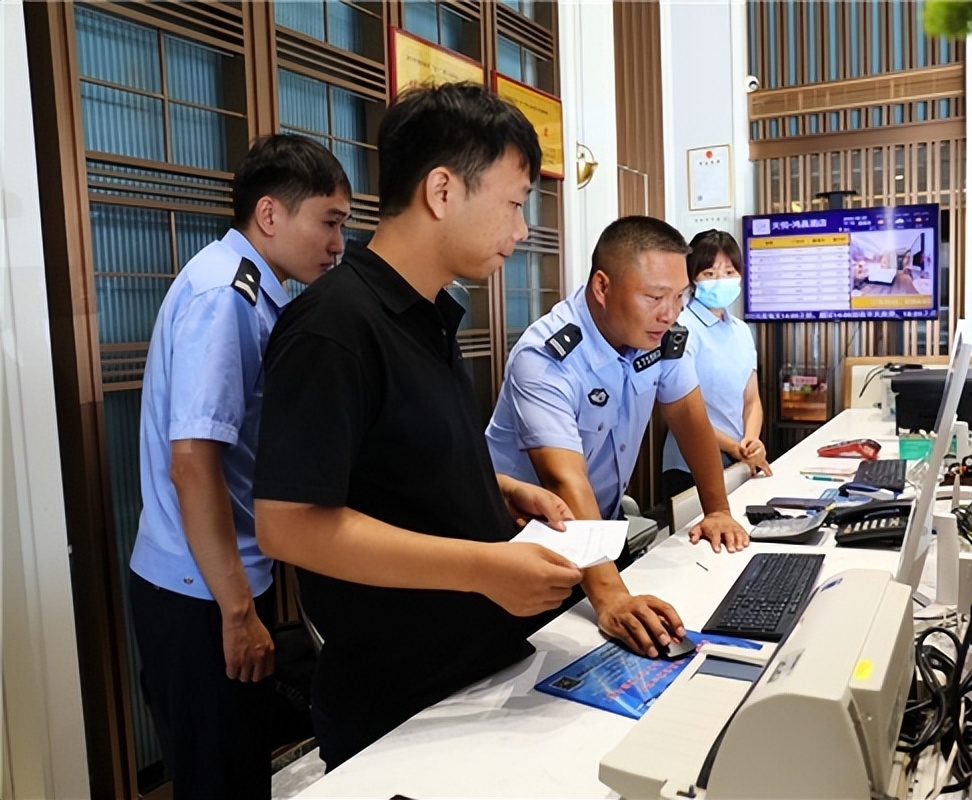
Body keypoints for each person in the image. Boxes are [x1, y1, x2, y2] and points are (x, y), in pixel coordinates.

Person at [251, 82, 584, 772]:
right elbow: (289, 523)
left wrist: (498, 489)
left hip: (478, 673)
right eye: (515, 203)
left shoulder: (428, 315)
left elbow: (391, 458)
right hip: (400, 706)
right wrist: (485, 566)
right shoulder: (335, 326)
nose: (522, 231)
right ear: (441, 190)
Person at [128, 134, 351, 800]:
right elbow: (193, 461)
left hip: (213, 577)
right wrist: (234, 612)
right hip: (199, 592)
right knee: (219, 779)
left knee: (236, 767)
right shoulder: (225, 296)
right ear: (270, 215)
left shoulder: (251, 291)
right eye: (330, 222)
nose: (339, 244)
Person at [486, 215, 751, 660]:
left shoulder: (664, 336)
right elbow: (563, 481)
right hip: (522, 541)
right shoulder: (547, 356)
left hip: (597, 530)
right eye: (653, 297)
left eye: (680, 296)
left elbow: (690, 418)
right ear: (602, 287)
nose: (670, 313)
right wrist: (609, 597)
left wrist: (718, 510)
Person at [660, 229, 771, 501]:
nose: (721, 280)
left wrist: (751, 442)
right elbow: (683, 413)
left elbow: (751, 400)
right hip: (689, 465)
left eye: (729, 272)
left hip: (739, 459)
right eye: (709, 274)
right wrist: (736, 448)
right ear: (692, 279)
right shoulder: (681, 328)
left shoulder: (741, 330)